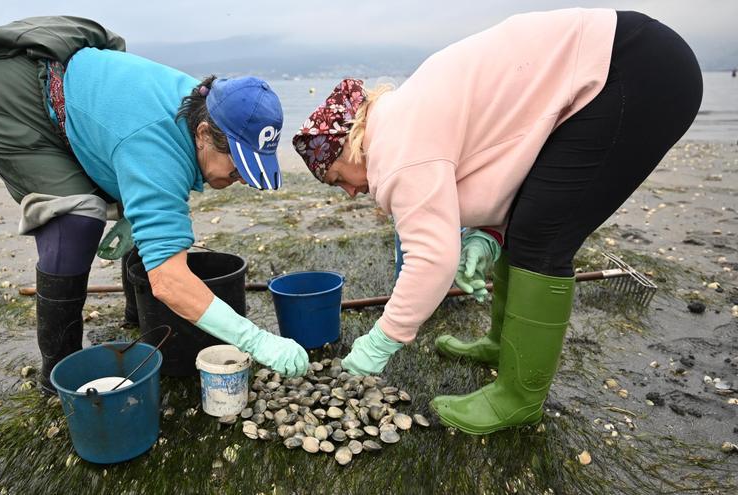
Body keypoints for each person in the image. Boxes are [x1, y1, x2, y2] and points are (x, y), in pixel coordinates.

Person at [293, 9, 701, 434]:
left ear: (350, 144)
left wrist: (379, 342)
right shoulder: (405, 115)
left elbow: (432, 260)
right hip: (637, 57)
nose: (351, 192)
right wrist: (487, 234)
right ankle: (501, 344)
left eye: (338, 178)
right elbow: (513, 157)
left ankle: (519, 397)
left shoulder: (394, 151)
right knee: (531, 225)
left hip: (633, 71)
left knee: (543, 240)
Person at [0, 16, 309, 394]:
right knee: (76, 218)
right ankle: (58, 369)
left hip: (71, 93)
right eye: (239, 166)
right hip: (12, 96)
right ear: (205, 134)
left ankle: (136, 318)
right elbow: (169, 279)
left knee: (145, 214)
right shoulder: (156, 147)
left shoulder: (208, 104)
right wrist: (257, 341)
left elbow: (153, 201)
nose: (241, 178)